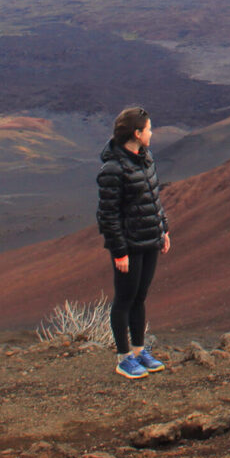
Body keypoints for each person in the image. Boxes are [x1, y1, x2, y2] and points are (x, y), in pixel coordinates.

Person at [96, 106, 171, 378]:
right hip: (129, 246)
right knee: (124, 299)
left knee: (140, 297)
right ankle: (123, 357)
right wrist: (119, 252)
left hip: (149, 240)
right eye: (149, 129)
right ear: (137, 133)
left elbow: (154, 198)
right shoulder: (113, 170)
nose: (152, 133)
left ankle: (139, 351)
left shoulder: (145, 158)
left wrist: (163, 229)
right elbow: (107, 215)